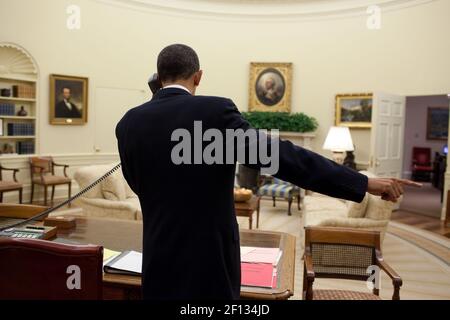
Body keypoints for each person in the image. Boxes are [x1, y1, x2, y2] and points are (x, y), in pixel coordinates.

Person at [115, 44, 420, 300]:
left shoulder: (128, 123)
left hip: (158, 263)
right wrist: (363, 181)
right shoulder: (215, 113)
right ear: (198, 76)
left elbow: (139, 185)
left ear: (158, 77)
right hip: (209, 267)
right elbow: (285, 158)